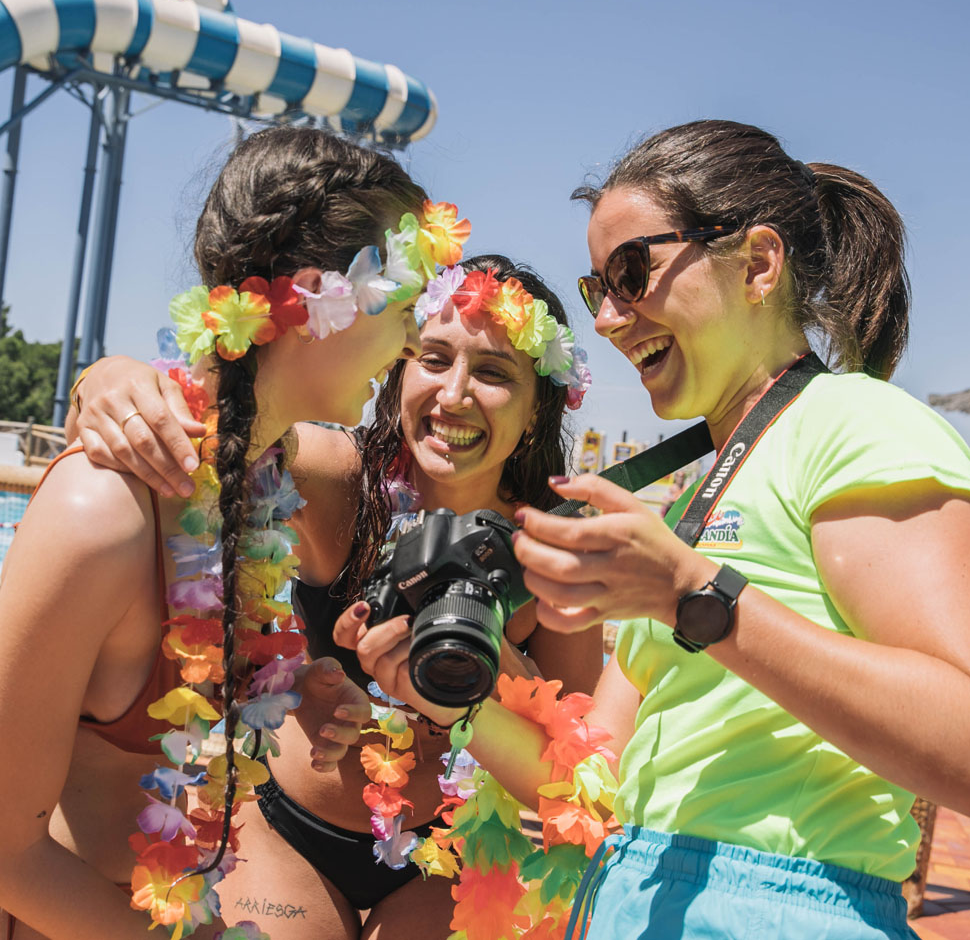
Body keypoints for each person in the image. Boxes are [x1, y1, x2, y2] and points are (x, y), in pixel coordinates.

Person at [343, 120, 970, 940]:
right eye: (597, 288)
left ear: (758, 264)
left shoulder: (857, 424)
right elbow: (589, 787)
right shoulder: (689, 502)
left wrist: (694, 595)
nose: (608, 318)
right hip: (634, 897)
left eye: (631, 274)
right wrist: (450, 692)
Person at [0, 125, 470, 939]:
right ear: (318, 301)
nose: (407, 344)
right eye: (402, 309)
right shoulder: (102, 510)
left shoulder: (256, 482)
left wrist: (285, 686)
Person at [62, 256, 601, 938]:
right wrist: (103, 380)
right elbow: (209, 424)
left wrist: (492, 681)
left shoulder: (555, 555)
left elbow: (575, 784)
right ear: (400, 368)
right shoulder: (337, 480)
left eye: (493, 373)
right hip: (287, 833)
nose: (455, 394)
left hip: (444, 860)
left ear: (536, 409)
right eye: (434, 359)